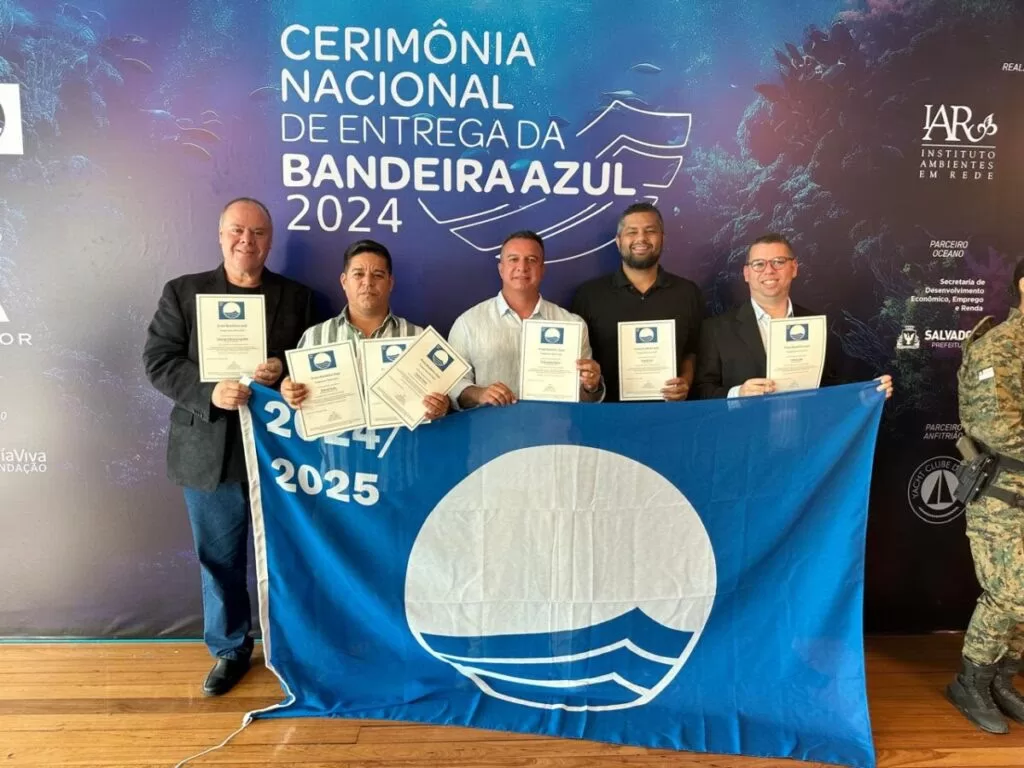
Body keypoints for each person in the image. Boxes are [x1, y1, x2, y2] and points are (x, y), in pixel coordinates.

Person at [142, 197, 315, 696]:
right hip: (208, 451)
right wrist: (208, 391)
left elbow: (312, 358)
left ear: (270, 240)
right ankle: (230, 649)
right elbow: (158, 361)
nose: (247, 241)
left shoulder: (298, 297)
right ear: (220, 236)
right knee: (219, 560)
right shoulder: (183, 293)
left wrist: (281, 368)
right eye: (237, 231)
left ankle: (293, 647)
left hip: (279, 454)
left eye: (258, 233)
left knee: (287, 559)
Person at [946, 259, 1024, 733]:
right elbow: (992, 424)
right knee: (1012, 592)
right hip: (1003, 492)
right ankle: (970, 682)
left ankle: (1001, 678)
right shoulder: (997, 346)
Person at [693, 233, 893, 399]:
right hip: (745, 440)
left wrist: (863, 394)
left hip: (806, 439)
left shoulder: (817, 324)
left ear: (794, 268)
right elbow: (701, 391)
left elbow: (830, 385)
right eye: (759, 264)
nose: (769, 271)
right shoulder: (716, 329)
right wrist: (738, 393)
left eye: (779, 262)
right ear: (747, 273)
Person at [280, 239, 449, 421]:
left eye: (377, 275)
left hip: (399, 446)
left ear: (390, 283)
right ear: (344, 281)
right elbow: (296, 388)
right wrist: (288, 389)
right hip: (336, 447)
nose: (367, 282)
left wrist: (441, 405)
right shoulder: (315, 336)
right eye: (358, 274)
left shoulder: (418, 337)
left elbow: (441, 397)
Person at [448, 230, 603, 408]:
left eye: (532, 260)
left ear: (542, 270)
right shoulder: (468, 323)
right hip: (489, 431)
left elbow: (585, 399)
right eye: (513, 259)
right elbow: (453, 387)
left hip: (554, 431)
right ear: (501, 269)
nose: (522, 267)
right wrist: (479, 393)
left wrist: (591, 386)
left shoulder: (572, 324)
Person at [571, 202, 703, 402]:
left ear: (662, 238)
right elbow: (580, 360)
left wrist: (685, 382)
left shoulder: (687, 293)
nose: (641, 238)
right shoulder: (589, 295)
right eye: (632, 232)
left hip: (670, 417)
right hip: (607, 417)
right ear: (618, 240)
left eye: (650, 231)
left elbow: (692, 351)